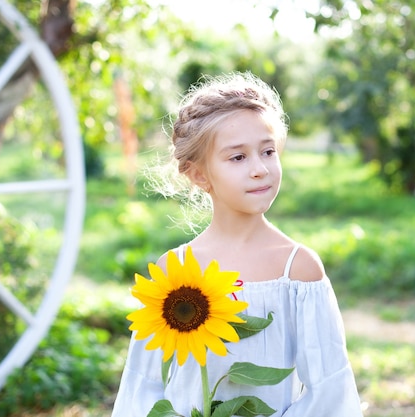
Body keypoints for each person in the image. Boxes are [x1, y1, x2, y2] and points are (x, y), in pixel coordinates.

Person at [111, 72, 363, 417]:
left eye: (268, 151)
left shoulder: (298, 270)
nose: (260, 169)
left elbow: (330, 392)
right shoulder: (174, 271)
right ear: (200, 174)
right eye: (238, 158)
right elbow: (143, 387)